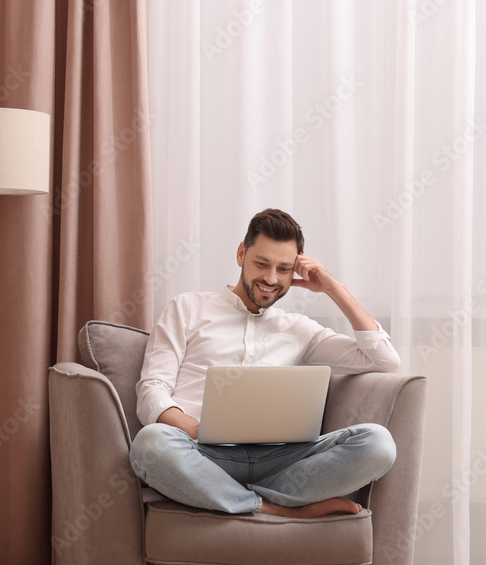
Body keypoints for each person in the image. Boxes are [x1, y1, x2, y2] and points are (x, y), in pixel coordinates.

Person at [130, 208, 400, 518]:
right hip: (199, 453)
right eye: (261, 263)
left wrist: (334, 289)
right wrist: (194, 429)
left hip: (280, 460)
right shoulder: (187, 307)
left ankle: (224, 496)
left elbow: (384, 360)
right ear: (241, 254)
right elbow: (152, 389)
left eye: (284, 269)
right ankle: (277, 508)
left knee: (378, 444)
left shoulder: (300, 329)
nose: (271, 279)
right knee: (150, 444)